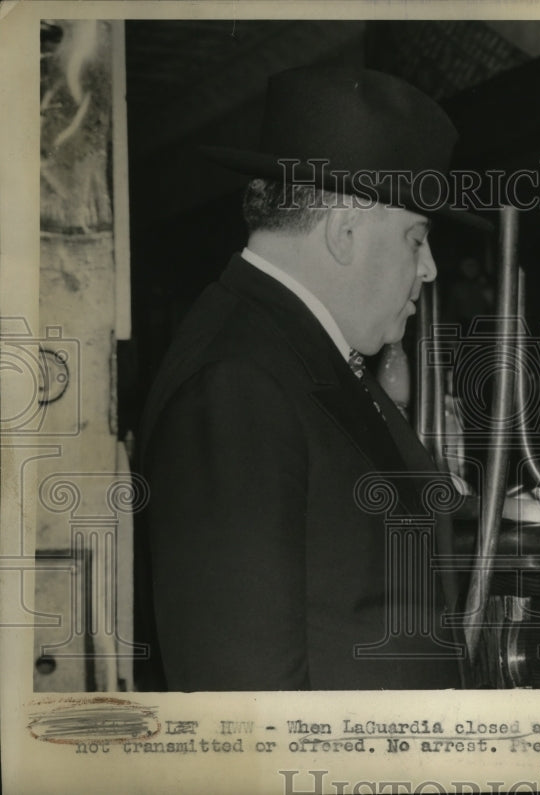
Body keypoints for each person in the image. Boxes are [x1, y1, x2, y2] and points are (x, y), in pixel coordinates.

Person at [135, 64, 488, 691]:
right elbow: (244, 703)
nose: (430, 269)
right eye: (416, 239)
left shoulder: (292, 351)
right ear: (346, 230)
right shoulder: (239, 381)